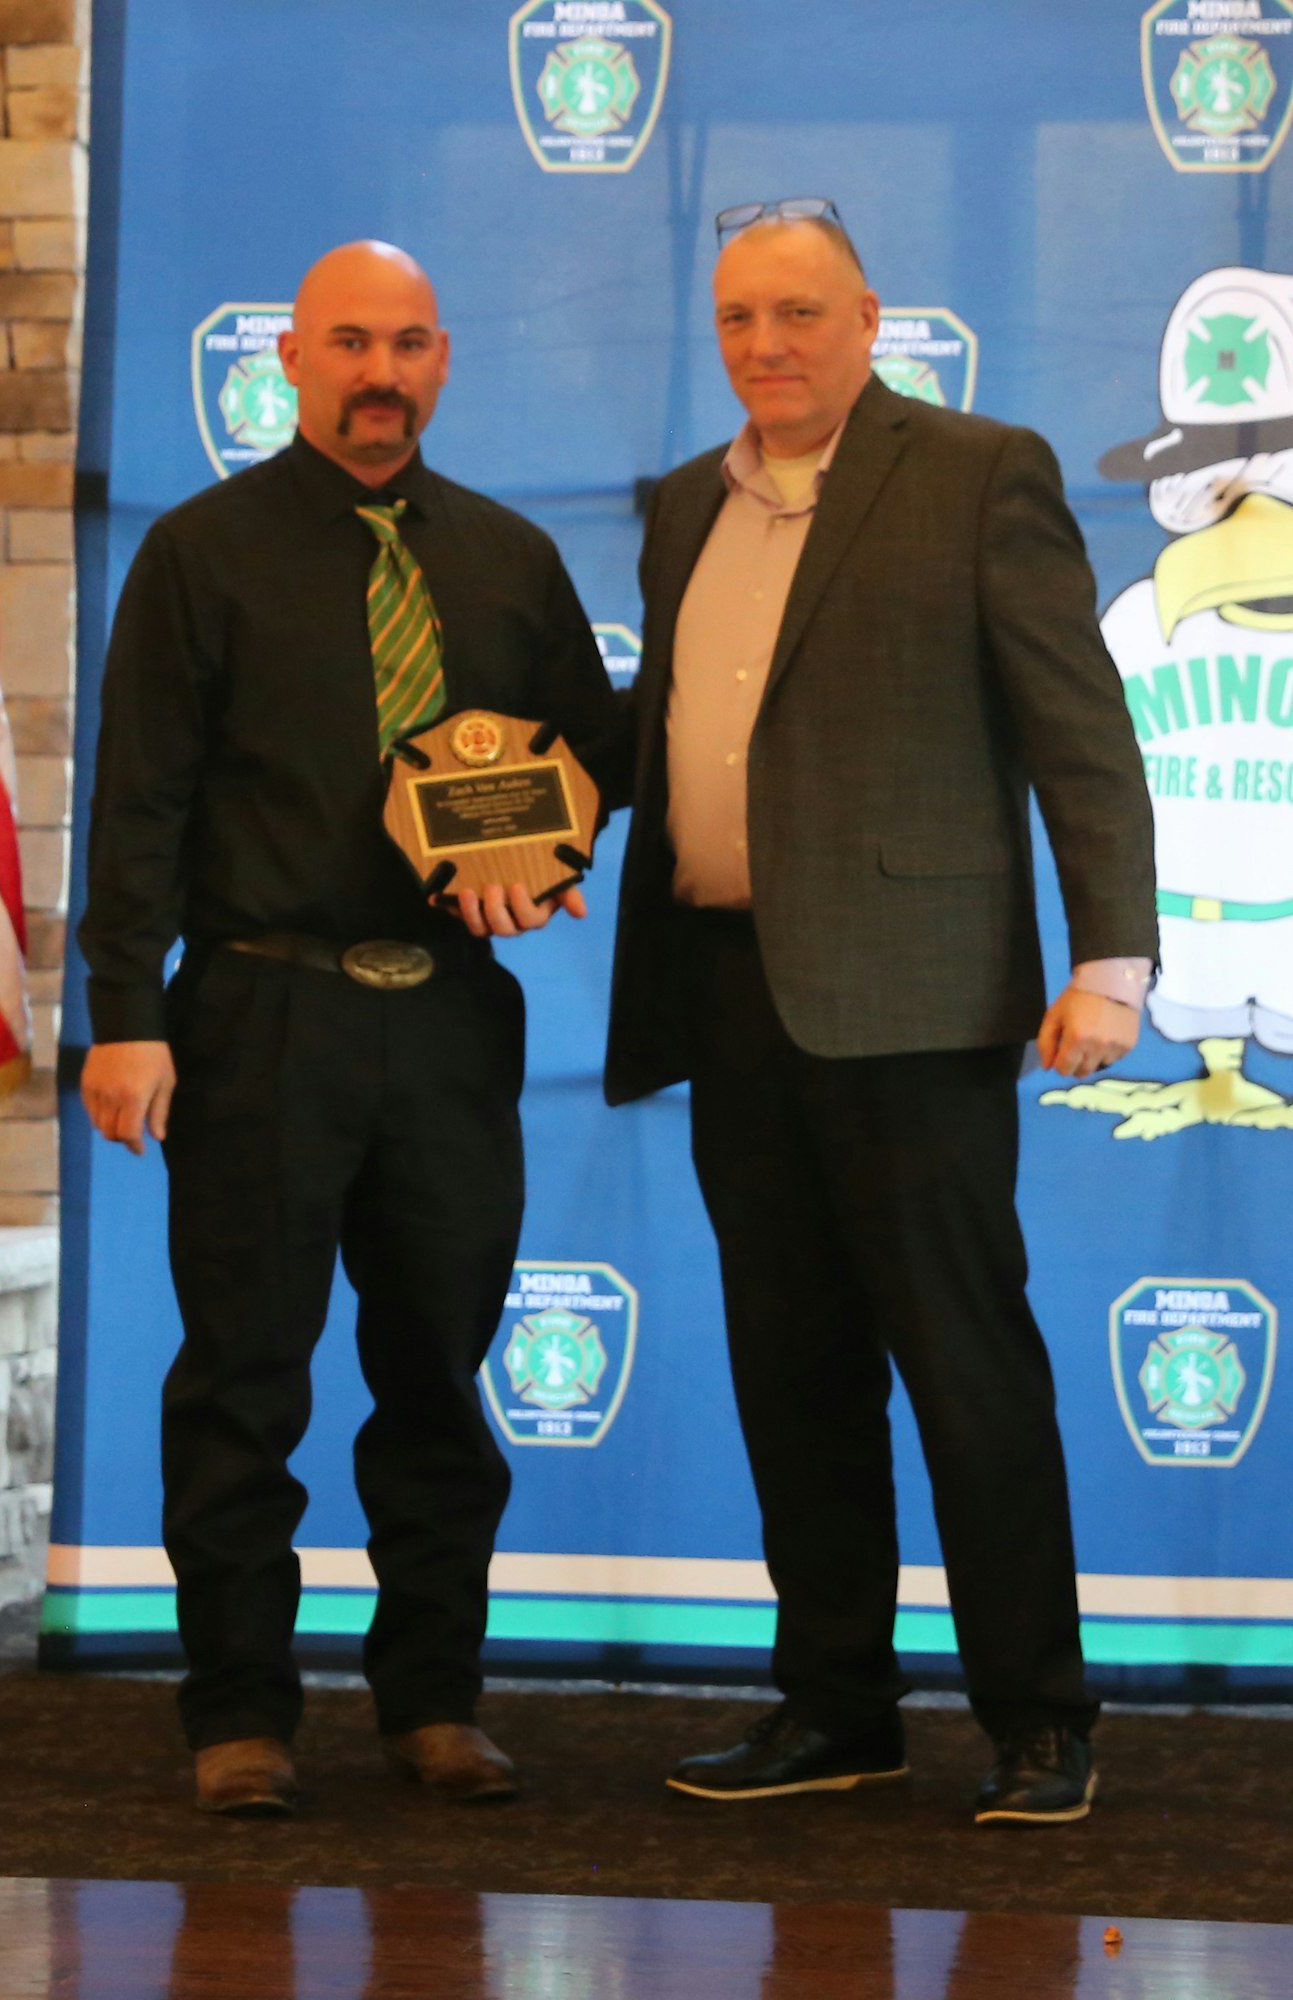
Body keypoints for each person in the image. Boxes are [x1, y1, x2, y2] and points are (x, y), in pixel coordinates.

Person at [604, 201, 1158, 1825]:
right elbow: (676, 726)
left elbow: (1079, 726)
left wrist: (1110, 957)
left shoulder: (982, 471)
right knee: (793, 1373)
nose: (762, 347)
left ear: (867, 318)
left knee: (967, 1367)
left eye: (793, 313)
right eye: (734, 320)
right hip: (727, 996)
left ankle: (1040, 1720)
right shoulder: (677, 509)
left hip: (913, 1008)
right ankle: (834, 1706)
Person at [79, 240, 622, 1817]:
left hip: (451, 1022)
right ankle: (238, 1717)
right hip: (256, 1010)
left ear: (442, 360)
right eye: (347, 344)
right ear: (292, 359)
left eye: (406, 345)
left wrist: (545, 856)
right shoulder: (199, 550)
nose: (378, 373)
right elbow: (141, 805)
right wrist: (126, 1015)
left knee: (441, 1382)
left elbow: (585, 760)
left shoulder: (514, 559)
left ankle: (431, 1706)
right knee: (244, 1379)